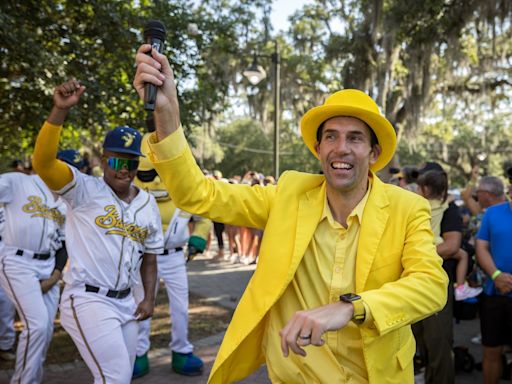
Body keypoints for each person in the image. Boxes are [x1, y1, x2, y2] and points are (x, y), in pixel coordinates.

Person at [133, 44, 448, 383]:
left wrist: (349, 308)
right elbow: (197, 194)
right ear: (318, 149)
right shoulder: (288, 194)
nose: (341, 148)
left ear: (373, 153)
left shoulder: (407, 207)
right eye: (331, 137)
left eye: (355, 138)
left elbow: (430, 285)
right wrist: (167, 115)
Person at [32, 79, 164, 384]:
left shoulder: (147, 203)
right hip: (88, 298)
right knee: (114, 378)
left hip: (126, 303)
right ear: (103, 160)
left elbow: (151, 257)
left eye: (131, 163)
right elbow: (43, 162)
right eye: (117, 160)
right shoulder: (83, 189)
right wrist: (58, 112)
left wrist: (148, 299)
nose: (123, 170)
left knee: (119, 377)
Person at [132, 134, 210, 378]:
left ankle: (181, 350)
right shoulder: (132, 194)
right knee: (141, 305)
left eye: (161, 174)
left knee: (180, 307)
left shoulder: (182, 191)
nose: (156, 182)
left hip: (174, 256)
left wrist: (199, 237)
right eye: (148, 175)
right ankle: (138, 352)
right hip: (142, 258)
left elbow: (204, 214)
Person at [0, 159, 66, 383]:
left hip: (48, 266)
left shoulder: (65, 199)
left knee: (45, 331)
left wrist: (56, 275)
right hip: (18, 262)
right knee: (36, 325)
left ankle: (32, 379)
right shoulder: (18, 182)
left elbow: (64, 243)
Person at [416, 170, 482, 301]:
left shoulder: (420, 204)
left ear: (426, 189)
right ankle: (461, 287)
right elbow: (453, 198)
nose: (417, 190)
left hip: (422, 243)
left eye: (419, 187)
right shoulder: (442, 205)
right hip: (436, 242)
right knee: (463, 254)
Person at [476, 185, 512, 384]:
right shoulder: (493, 213)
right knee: (491, 350)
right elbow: (481, 246)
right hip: (494, 293)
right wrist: (496, 275)